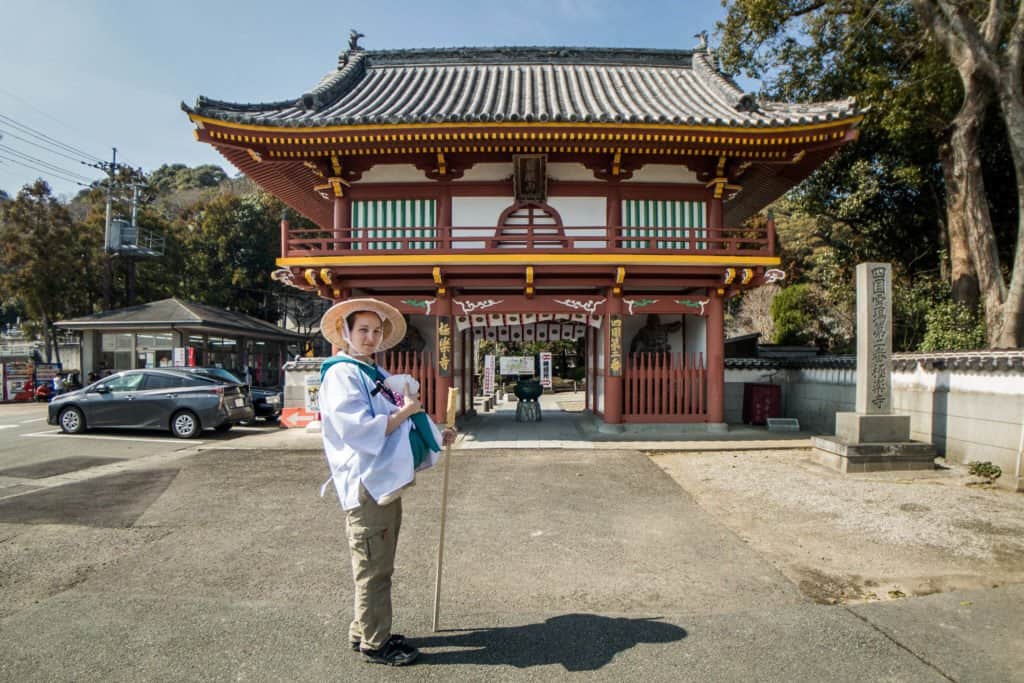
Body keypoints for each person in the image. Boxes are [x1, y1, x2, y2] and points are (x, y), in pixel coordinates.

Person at [318, 298, 456, 667]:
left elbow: (401, 418)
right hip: (365, 482)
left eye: (376, 331)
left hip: (382, 481)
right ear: (345, 332)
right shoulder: (342, 374)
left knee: (378, 563)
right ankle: (375, 644)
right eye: (363, 329)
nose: (371, 337)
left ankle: (363, 629)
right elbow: (358, 429)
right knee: (374, 568)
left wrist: (436, 434)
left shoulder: (372, 371)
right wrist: (406, 410)